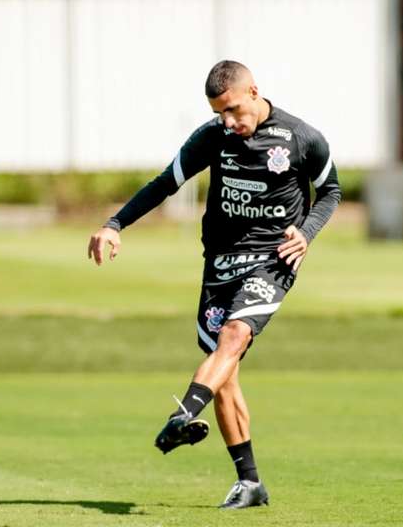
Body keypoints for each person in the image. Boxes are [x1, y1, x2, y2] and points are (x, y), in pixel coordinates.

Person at [87, 60, 341, 509]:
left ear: (254, 92)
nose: (228, 121)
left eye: (234, 110)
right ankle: (250, 483)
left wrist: (307, 232)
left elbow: (332, 190)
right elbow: (165, 184)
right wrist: (114, 224)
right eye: (219, 112)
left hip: (273, 258)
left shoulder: (302, 138)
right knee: (224, 372)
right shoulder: (213, 136)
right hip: (219, 265)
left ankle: (182, 415)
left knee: (233, 336)